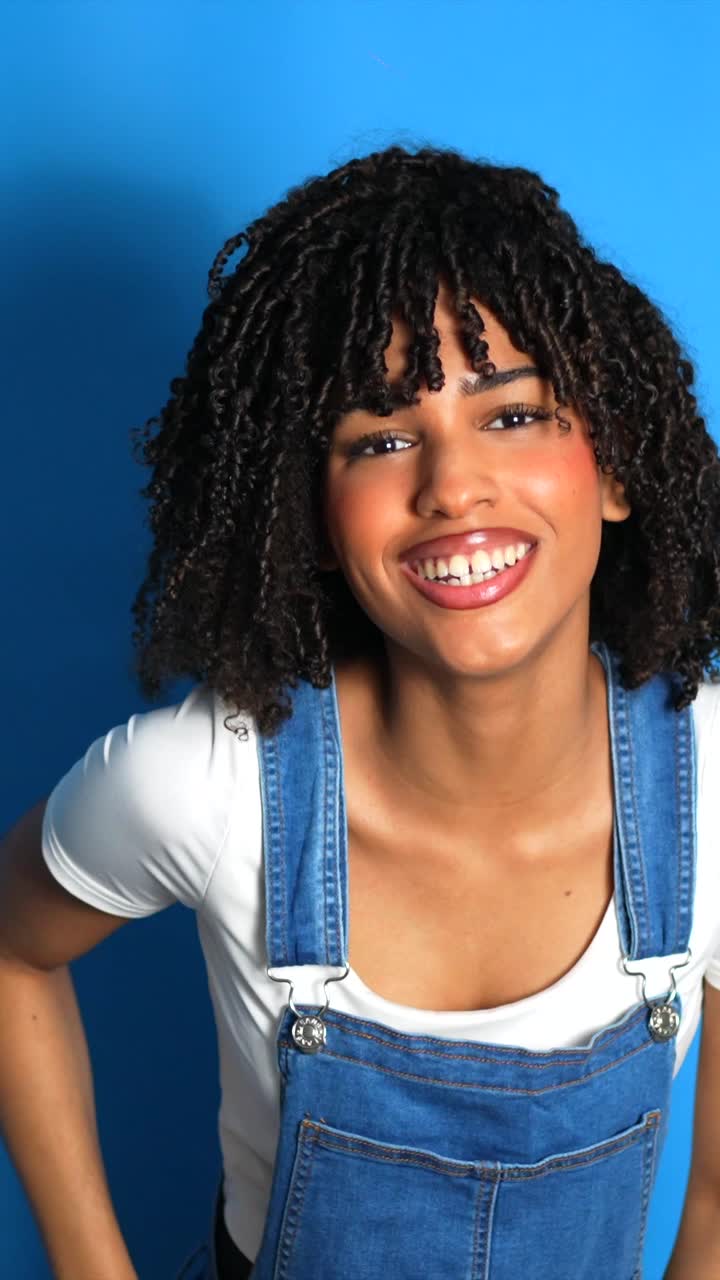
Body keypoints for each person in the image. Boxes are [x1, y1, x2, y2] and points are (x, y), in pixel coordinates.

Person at [2, 144, 720, 1280]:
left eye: (515, 414)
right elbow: (12, 949)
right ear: (315, 522)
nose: (451, 484)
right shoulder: (205, 781)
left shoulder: (715, 779)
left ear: (618, 467)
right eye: (380, 438)